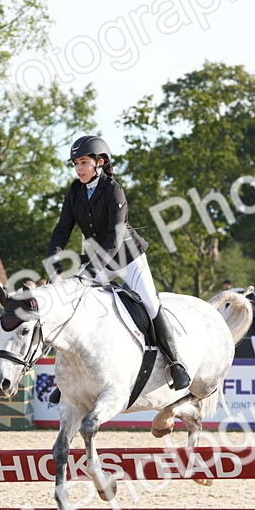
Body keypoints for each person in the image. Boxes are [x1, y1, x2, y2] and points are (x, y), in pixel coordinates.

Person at [45, 134, 190, 390]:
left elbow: (115, 236)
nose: (79, 168)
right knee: (77, 305)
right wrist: (53, 257)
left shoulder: (113, 189)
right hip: (99, 259)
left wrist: (92, 267)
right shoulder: (75, 191)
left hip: (127, 258)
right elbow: (62, 228)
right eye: (76, 164)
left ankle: (176, 363)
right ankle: (69, 379)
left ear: (99, 162)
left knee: (150, 303)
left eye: (83, 163)